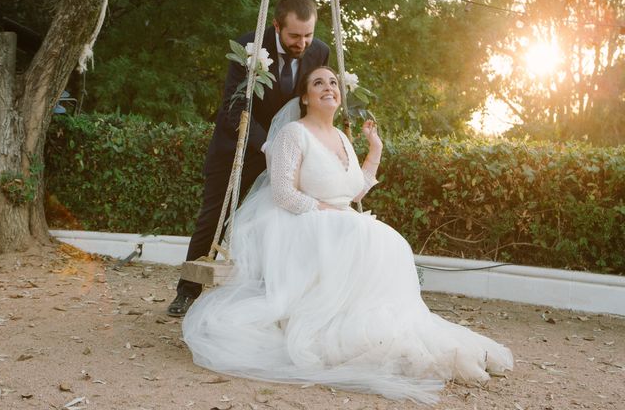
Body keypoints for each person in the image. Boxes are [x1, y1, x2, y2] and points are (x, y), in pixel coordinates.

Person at [181, 67, 513, 403]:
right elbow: (283, 193)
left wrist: (375, 150)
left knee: (390, 240)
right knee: (363, 233)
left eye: (334, 83)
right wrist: (322, 209)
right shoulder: (293, 135)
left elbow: (353, 193)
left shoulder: (341, 137)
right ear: (305, 97)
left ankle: (382, 328)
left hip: (337, 220)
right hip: (302, 223)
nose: (328, 87)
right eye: (318, 83)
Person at [167, 0, 329, 316]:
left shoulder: (320, 51)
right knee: (213, 217)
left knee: (282, 222)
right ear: (276, 25)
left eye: (308, 35)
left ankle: (272, 297)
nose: (303, 43)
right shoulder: (249, 47)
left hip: (288, 153)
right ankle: (187, 291)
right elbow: (234, 106)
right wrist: (267, 145)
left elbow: (315, 97)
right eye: (295, 36)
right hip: (238, 147)